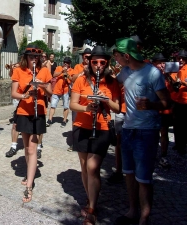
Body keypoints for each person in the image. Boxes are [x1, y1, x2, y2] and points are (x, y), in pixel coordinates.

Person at [113, 38, 171, 225]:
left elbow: (167, 102)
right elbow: (112, 82)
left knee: (144, 178)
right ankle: (132, 211)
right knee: (129, 173)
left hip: (147, 132)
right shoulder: (125, 71)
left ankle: (144, 218)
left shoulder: (153, 73)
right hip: (128, 130)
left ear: (127, 56)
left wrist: (151, 104)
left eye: (118, 57)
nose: (117, 60)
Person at [70, 46, 120, 225]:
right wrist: (86, 107)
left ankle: (92, 208)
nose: (98, 65)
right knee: (84, 166)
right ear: (90, 63)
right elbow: (72, 104)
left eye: (102, 62)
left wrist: (105, 99)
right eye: (95, 62)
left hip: (103, 127)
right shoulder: (81, 80)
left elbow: (118, 107)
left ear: (107, 63)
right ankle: (90, 197)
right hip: (81, 126)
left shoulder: (112, 82)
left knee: (92, 167)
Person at [11, 44, 52, 203]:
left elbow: (51, 92)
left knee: (33, 148)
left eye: (36, 57)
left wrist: (42, 85)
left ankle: (29, 185)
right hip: (23, 112)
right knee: (27, 148)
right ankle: (29, 172)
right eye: (31, 57)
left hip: (38, 112)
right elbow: (14, 93)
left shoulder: (45, 71)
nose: (34, 60)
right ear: (26, 58)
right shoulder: (18, 71)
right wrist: (26, 95)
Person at [67, 48, 92, 152]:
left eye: (89, 57)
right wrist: (83, 71)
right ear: (83, 57)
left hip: (89, 99)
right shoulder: (78, 66)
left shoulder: (94, 67)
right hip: (78, 100)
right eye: (86, 57)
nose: (87, 59)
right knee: (75, 121)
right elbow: (72, 78)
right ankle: (74, 143)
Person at [151, 53, 173, 167]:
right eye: (159, 63)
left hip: (165, 111)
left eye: (163, 63)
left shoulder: (168, 76)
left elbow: (174, 89)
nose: (162, 65)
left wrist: (168, 76)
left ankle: (163, 155)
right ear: (154, 64)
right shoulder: (150, 76)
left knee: (164, 133)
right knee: (152, 133)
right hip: (153, 109)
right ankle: (151, 154)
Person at [46, 57, 74, 128]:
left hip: (66, 90)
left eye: (67, 62)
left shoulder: (72, 70)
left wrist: (67, 74)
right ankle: (49, 120)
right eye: (64, 62)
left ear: (69, 64)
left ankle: (64, 121)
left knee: (66, 106)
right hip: (57, 89)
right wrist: (62, 71)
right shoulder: (59, 67)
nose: (65, 63)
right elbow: (54, 75)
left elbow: (72, 79)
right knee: (53, 105)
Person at [172, 49, 187, 155]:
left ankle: (183, 146)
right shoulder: (175, 68)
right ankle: (178, 144)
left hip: (185, 101)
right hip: (176, 100)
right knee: (177, 124)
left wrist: (180, 82)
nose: (181, 60)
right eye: (179, 58)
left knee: (184, 125)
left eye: (183, 58)